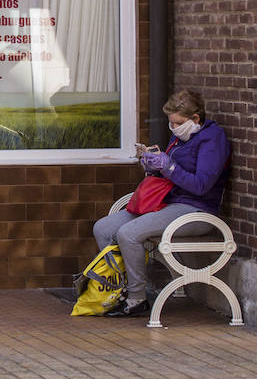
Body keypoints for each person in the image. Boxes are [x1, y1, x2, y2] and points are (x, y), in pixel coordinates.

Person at [92, 89, 232, 317]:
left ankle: (136, 299)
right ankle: (118, 289)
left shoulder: (212, 139)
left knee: (128, 233)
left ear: (195, 119)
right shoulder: (180, 136)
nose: (173, 128)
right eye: (171, 123)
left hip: (195, 209)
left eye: (178, 123)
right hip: (167, 201)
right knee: (103, 228)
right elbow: (169, 173)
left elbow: (201, 186)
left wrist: (169, 167)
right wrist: (153, 167)